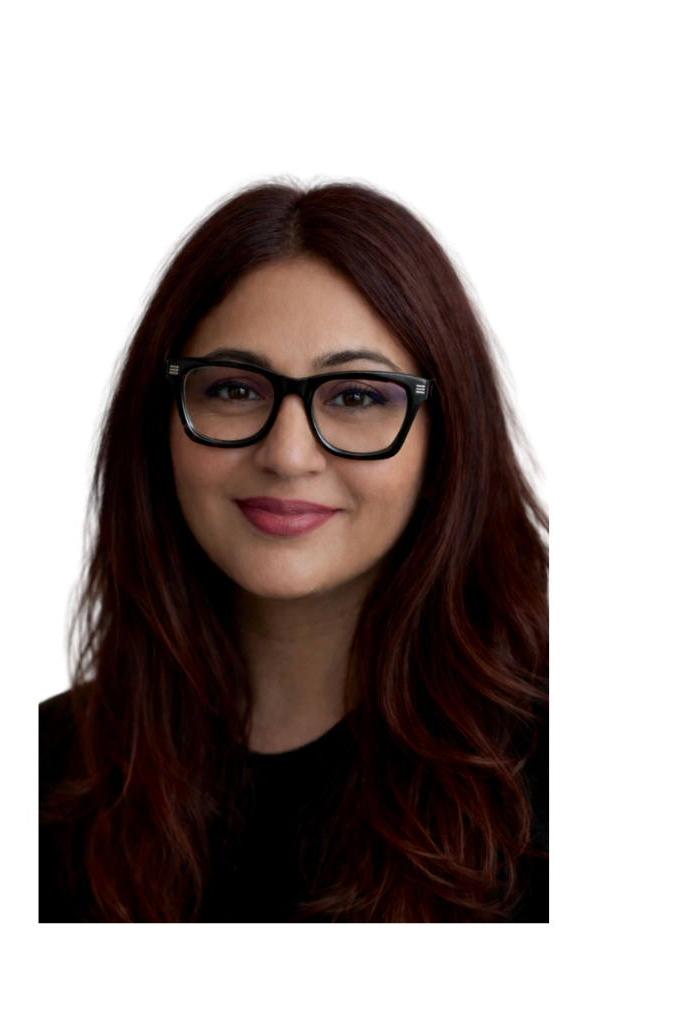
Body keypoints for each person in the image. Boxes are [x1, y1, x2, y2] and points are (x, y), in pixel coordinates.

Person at [39, 180, 549, 922]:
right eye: (235, 390)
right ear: (162, 425)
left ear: (450, 440)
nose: (286, 454)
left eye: (356, 397)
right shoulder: (43, 777)